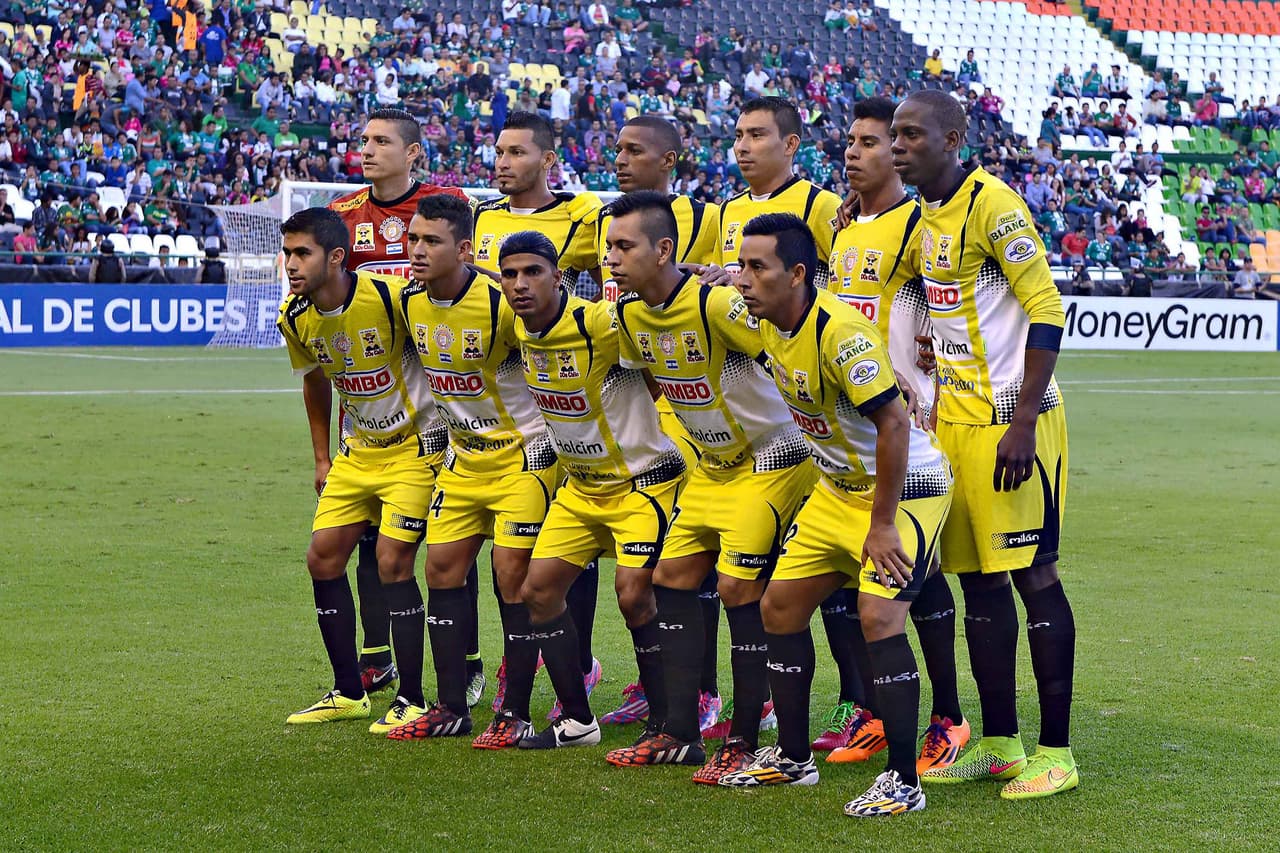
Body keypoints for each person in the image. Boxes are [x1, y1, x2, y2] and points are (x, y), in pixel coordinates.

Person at [713, 212, 951, 819]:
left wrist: (882, 523)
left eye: (756, 267)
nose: (743, 279)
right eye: (741, 265)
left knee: (878, 617)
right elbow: (707, 288)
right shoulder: (764, 317)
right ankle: (794, 759)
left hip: (905, 490)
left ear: (796, 274)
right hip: (835, 489)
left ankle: (903, 781)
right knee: (778, 608)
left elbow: (894, 423)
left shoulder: (841, 334)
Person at [891, 90, 1078, 799]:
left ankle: (1056, 751)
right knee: (979, 582)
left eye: (913, 135)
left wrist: (1025, 419)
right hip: (955, 426)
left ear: (953, 137)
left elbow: (1046, 308)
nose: (901, 145)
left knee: (1035, 574)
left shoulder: (993, 204)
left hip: (1012, 421)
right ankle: (1000, 742)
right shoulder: (924, 216)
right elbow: (907, 277)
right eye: (895, 136)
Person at [603, 193, 816, 783]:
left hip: (772, 458)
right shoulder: (628, 315)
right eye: (609, 247)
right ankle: (678, 732)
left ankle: (745, 738)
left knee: (736, 588)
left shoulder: (716, 304)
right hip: (709, 468)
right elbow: (649, 378)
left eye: (625, 246)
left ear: (664, 249)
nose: (613, 259)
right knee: (667, 577)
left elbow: (786, 341)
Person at [821, 97, 970, 773]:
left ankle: (949, 717)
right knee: (859, 580)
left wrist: (933, 358)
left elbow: (954, 298)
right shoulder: (846, 228)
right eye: (850, 141)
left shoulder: (918, 224)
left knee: (920, 578)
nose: (854, 151)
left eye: (871, 142)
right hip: (850, 432)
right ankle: (879, 710)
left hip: (911, 425)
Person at [499, 224, 689, 749]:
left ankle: (666, 724)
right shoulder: (519, 329)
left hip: (641, 486)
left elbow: (661, 320)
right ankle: (577, 722)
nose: (520, 285)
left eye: (533, 273)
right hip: (580, 491)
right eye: (510, 274)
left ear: (559, 277)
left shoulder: (603, 323)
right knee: (535, 592)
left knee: (635, 597)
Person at [387, 194, 556, 746]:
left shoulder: (499, 303)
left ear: (463, 249)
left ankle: (516, 710)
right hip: (462, 461)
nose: (416, 250)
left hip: (521, 455)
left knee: (512, 576)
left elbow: (549, 362)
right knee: (441, 571)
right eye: (413, 238)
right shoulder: (410, 302)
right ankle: (451, 706)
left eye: (430, 241)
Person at [325, 108, 475, 704]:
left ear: (414, 153)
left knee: (442, 542)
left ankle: (464, 662)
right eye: (364, 140)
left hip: (439, 404)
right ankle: (374, 657)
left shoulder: (446, 202)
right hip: (370, 405)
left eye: (382, 141)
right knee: (367, 538)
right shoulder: (342, 216)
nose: (368, 149)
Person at [276, 207, 444, 735]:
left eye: (302, 253)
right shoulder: (294, 316)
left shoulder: (393, 298)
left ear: (336, 257)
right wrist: (322, 457)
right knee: (322, 559)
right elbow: (314, 381)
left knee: (394, 563)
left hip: (414, 450)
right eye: (286, 253)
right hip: (357, 453)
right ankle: (349, 691)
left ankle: (414, 698)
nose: (290, 264)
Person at [591, 117, 726, 731]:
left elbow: (740, 293)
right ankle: (676, 686)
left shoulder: (713, 218)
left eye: (634, 150)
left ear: (671, 158)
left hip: (717, 426)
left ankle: (715, 694)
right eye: (616, 149)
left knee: (713, 569)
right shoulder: (601, 220)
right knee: (664, 568)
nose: (620, 159)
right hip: (653, 423)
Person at [472, 111, 606, 719]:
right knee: (524, 550)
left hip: (562, 405)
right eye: (498, 151)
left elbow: (608, 283)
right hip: (500, 403)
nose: (502, 162)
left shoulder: (582, 216)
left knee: (568, 545)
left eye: (516, 152)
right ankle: (529, 661)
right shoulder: (481, 217)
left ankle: (576, 665)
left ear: (548, 160)